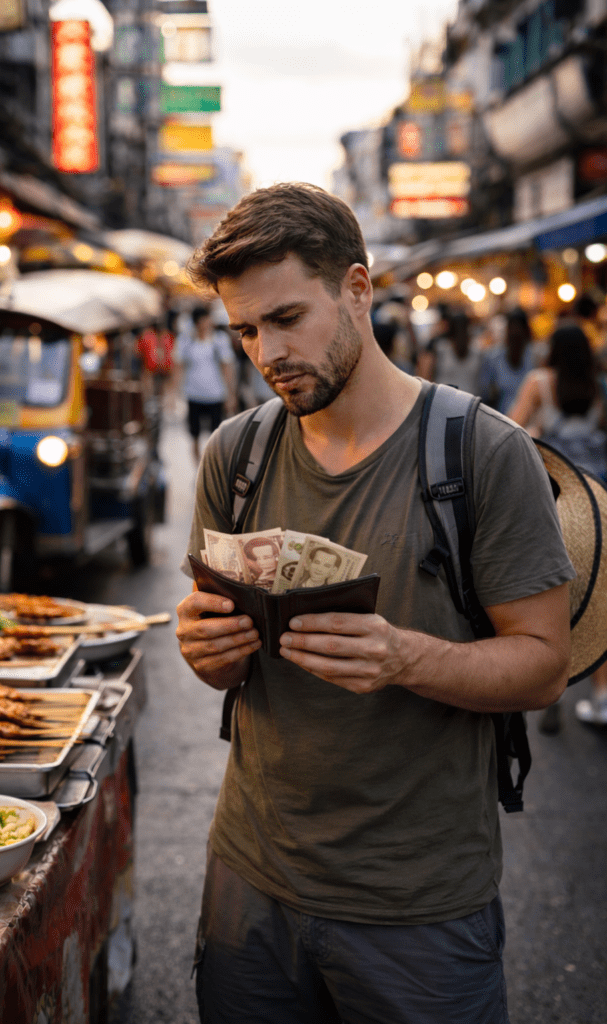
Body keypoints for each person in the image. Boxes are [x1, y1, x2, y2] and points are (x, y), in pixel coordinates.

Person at [176, 182, 574, 1024]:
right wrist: (204, 651)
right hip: (249, 877)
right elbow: (219, 666)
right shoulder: (235, 455)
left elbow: (542, 665)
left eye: (287, 317)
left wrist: (403, 656)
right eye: (244, 329)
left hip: (419, 907)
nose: (265, 350)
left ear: (357, 289)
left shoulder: (480, 453)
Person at [509, 323, 607, 729]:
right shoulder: (598, 387)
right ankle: (602, 695)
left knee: (555, 598)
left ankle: (552, 689)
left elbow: (510, 430)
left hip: (556, 502)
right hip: (600, 502)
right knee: (599, 598)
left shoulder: (539, 383)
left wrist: (536, 433)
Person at [174, 305, 237, 463]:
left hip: (215, 394)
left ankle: (212, 464)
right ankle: (198, 467)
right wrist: (174, 393)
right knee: (194, 434)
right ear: (198, 321)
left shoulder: (219, 340)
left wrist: (230, 394)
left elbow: (227, 367)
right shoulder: (186, 341)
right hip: (193, 394)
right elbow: (179, 366)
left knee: (215, 434)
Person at [478, 307, 538, 414]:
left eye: (519, 328)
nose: (515, 332)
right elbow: (486, 393)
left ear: (526, 331)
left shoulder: (536, 357)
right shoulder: (493, 357)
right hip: (501, 419)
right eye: (512, 327)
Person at [417, 307, 482, 394]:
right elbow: (425, 376)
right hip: (445, 400)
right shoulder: (439, 348)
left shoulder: (477, 350)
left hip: (467, 401)